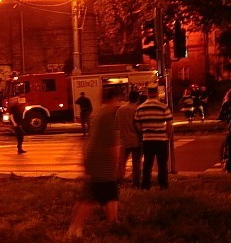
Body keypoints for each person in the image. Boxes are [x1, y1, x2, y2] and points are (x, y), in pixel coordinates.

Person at [69, 87, 124, 235]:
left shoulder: (98, 113)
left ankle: (111, 222)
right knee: (95, 195)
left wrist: (84, 159)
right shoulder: (110, 115)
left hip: (93, 159)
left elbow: (91, 138)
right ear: (116, 98)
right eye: (120, 99)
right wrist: (118, 164)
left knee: (103, 193)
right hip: (103, 163)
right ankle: (76, 228)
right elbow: (112, 142)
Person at [135, 84, 173, 190]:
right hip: (161, 140)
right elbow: (169, 124)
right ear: (156, 93)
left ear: (148, 93)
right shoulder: (163, 107)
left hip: (147, 140)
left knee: (147, 164)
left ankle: (146, 185)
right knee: (162, 164)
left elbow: (137, 124)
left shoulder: (140, 108)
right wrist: (168, 137)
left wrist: (144, 131)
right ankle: (163, 185)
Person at [116, 89, 142, 188]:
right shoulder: (137, 109)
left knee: (121, 162)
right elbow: (138, 126)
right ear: (137, 98)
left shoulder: (121, 109)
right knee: (136, 163)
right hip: (135, 140)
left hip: (123, 140)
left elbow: (117, 124)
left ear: (128, 98)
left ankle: (119, 180)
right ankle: (136, 183)